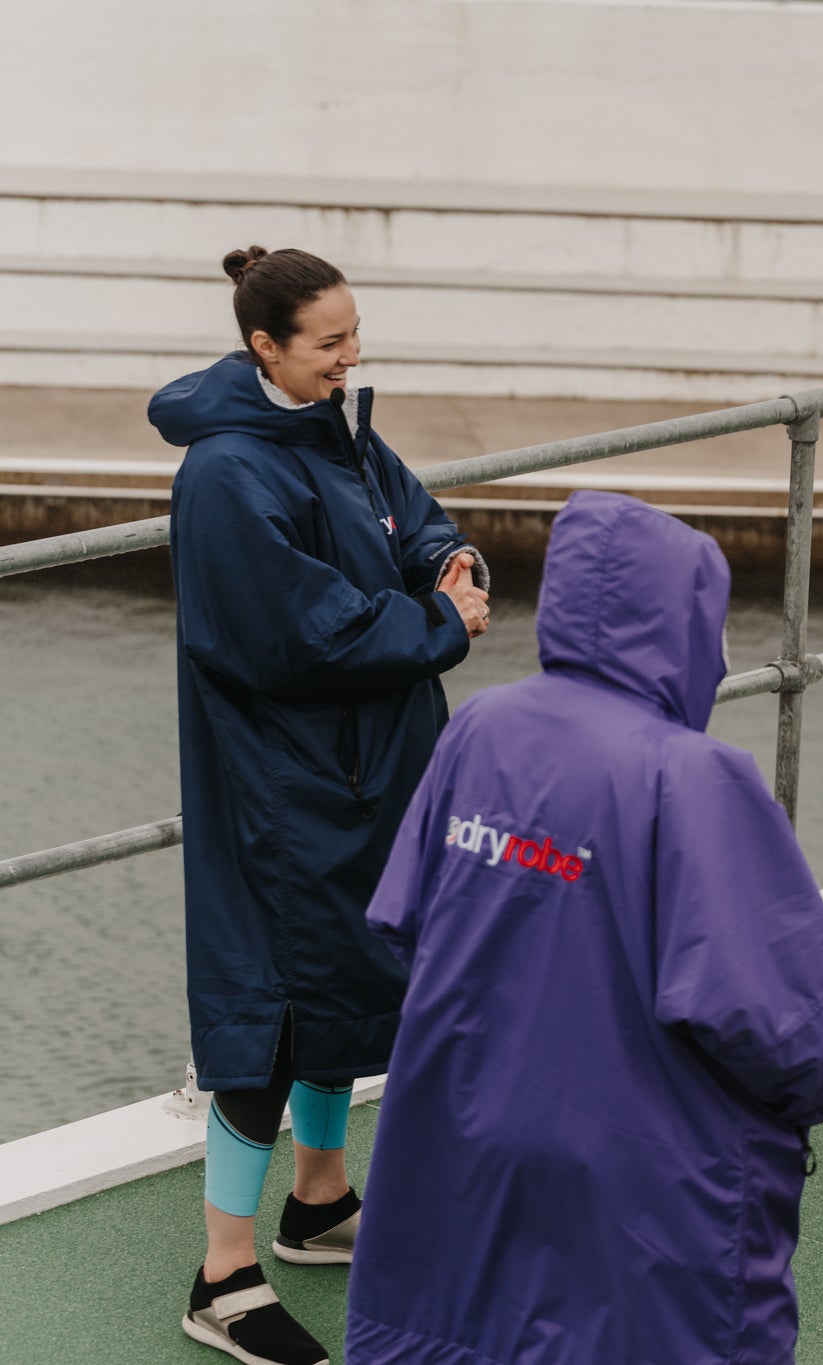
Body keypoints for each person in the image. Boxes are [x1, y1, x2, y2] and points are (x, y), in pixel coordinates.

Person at [345, 490, 823, 1365]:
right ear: (688, 624)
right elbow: (788, 1030)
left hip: (461, 1158)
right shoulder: (694, 778)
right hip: (646, 1204)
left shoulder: (481, 728)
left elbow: (403, 923)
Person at [154, 246, 489, 1365]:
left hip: (362, 768)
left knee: (348, 981)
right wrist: (440, 624)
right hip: (284, 788)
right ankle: (223, 1278)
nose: (353, 356)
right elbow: (300, 634)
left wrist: (453, 560)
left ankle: (317, 1203)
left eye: (355, 333)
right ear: (267, 347)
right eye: (330, 342)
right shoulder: (226, 475)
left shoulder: (332, 422)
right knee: (273, 1013)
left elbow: (411, 516)